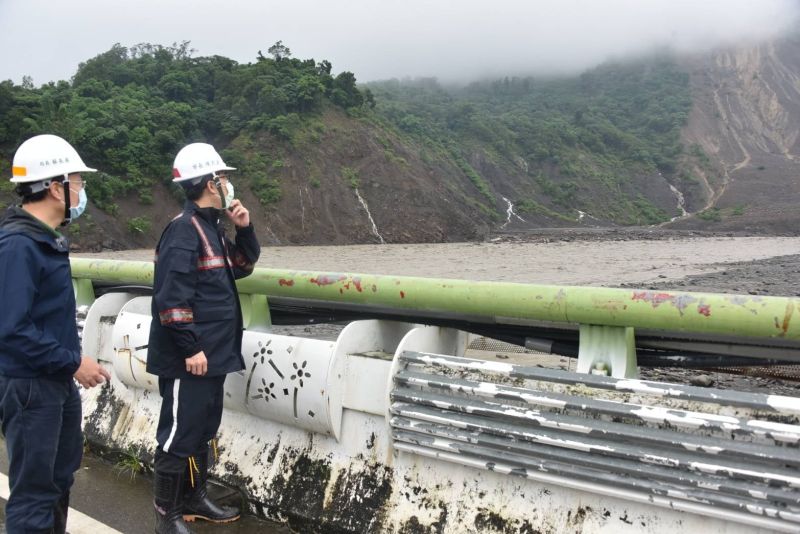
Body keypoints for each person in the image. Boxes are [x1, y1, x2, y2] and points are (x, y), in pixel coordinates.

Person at [0, 134, 111, 534]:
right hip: (31, 385)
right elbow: (10, 330)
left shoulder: (44, 241)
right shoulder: (18, 246)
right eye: (78, 182)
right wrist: (73, 361)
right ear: (54, 187)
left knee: (58, 479)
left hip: (54, 382)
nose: (81, 192)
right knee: (33, 491)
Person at [147, 143, 260, 534]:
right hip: (190, 357)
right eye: (224, 177)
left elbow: (241, 267)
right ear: (211, 183)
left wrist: (243, 227)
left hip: (212, 354)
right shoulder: (184, 231)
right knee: (178, 434)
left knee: (202, 428)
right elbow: (171, 299)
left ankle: (195, 499)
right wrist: (190, 347)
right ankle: (166, 514)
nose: (228, 183)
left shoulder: (210, 228)